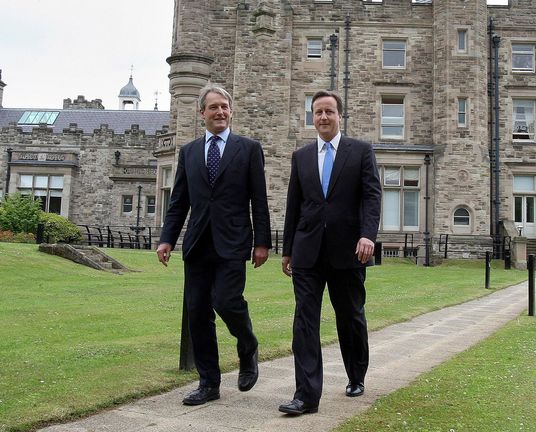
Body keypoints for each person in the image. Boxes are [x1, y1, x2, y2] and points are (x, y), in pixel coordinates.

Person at [156, 85, 272, 406]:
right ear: (202, 113)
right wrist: (167, 238)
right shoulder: (189, 152)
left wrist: (262, 242)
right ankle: (209, 383)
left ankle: (247, 345)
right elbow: (179, 201)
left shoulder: (248, 149)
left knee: (226, 301)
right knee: (198, 314)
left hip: (233, 242)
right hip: (197, 244)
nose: (220, 112)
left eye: (225, 107)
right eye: (214, 108)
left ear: (231, 111)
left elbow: (259, 201)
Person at [278, 90, 382, 416]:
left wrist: (368, 235)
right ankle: (306, 395)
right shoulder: (302, 156)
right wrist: (287, 250)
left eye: (329, 112)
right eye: (318, 112)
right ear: (312, 117)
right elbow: (294, 205)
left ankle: (356, 374)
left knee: (349, 316)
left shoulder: (361, 151)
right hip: (307, 252)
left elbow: (372, 196)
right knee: (304, 321)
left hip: (349, 250)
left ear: (340, 116)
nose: (323, 117)